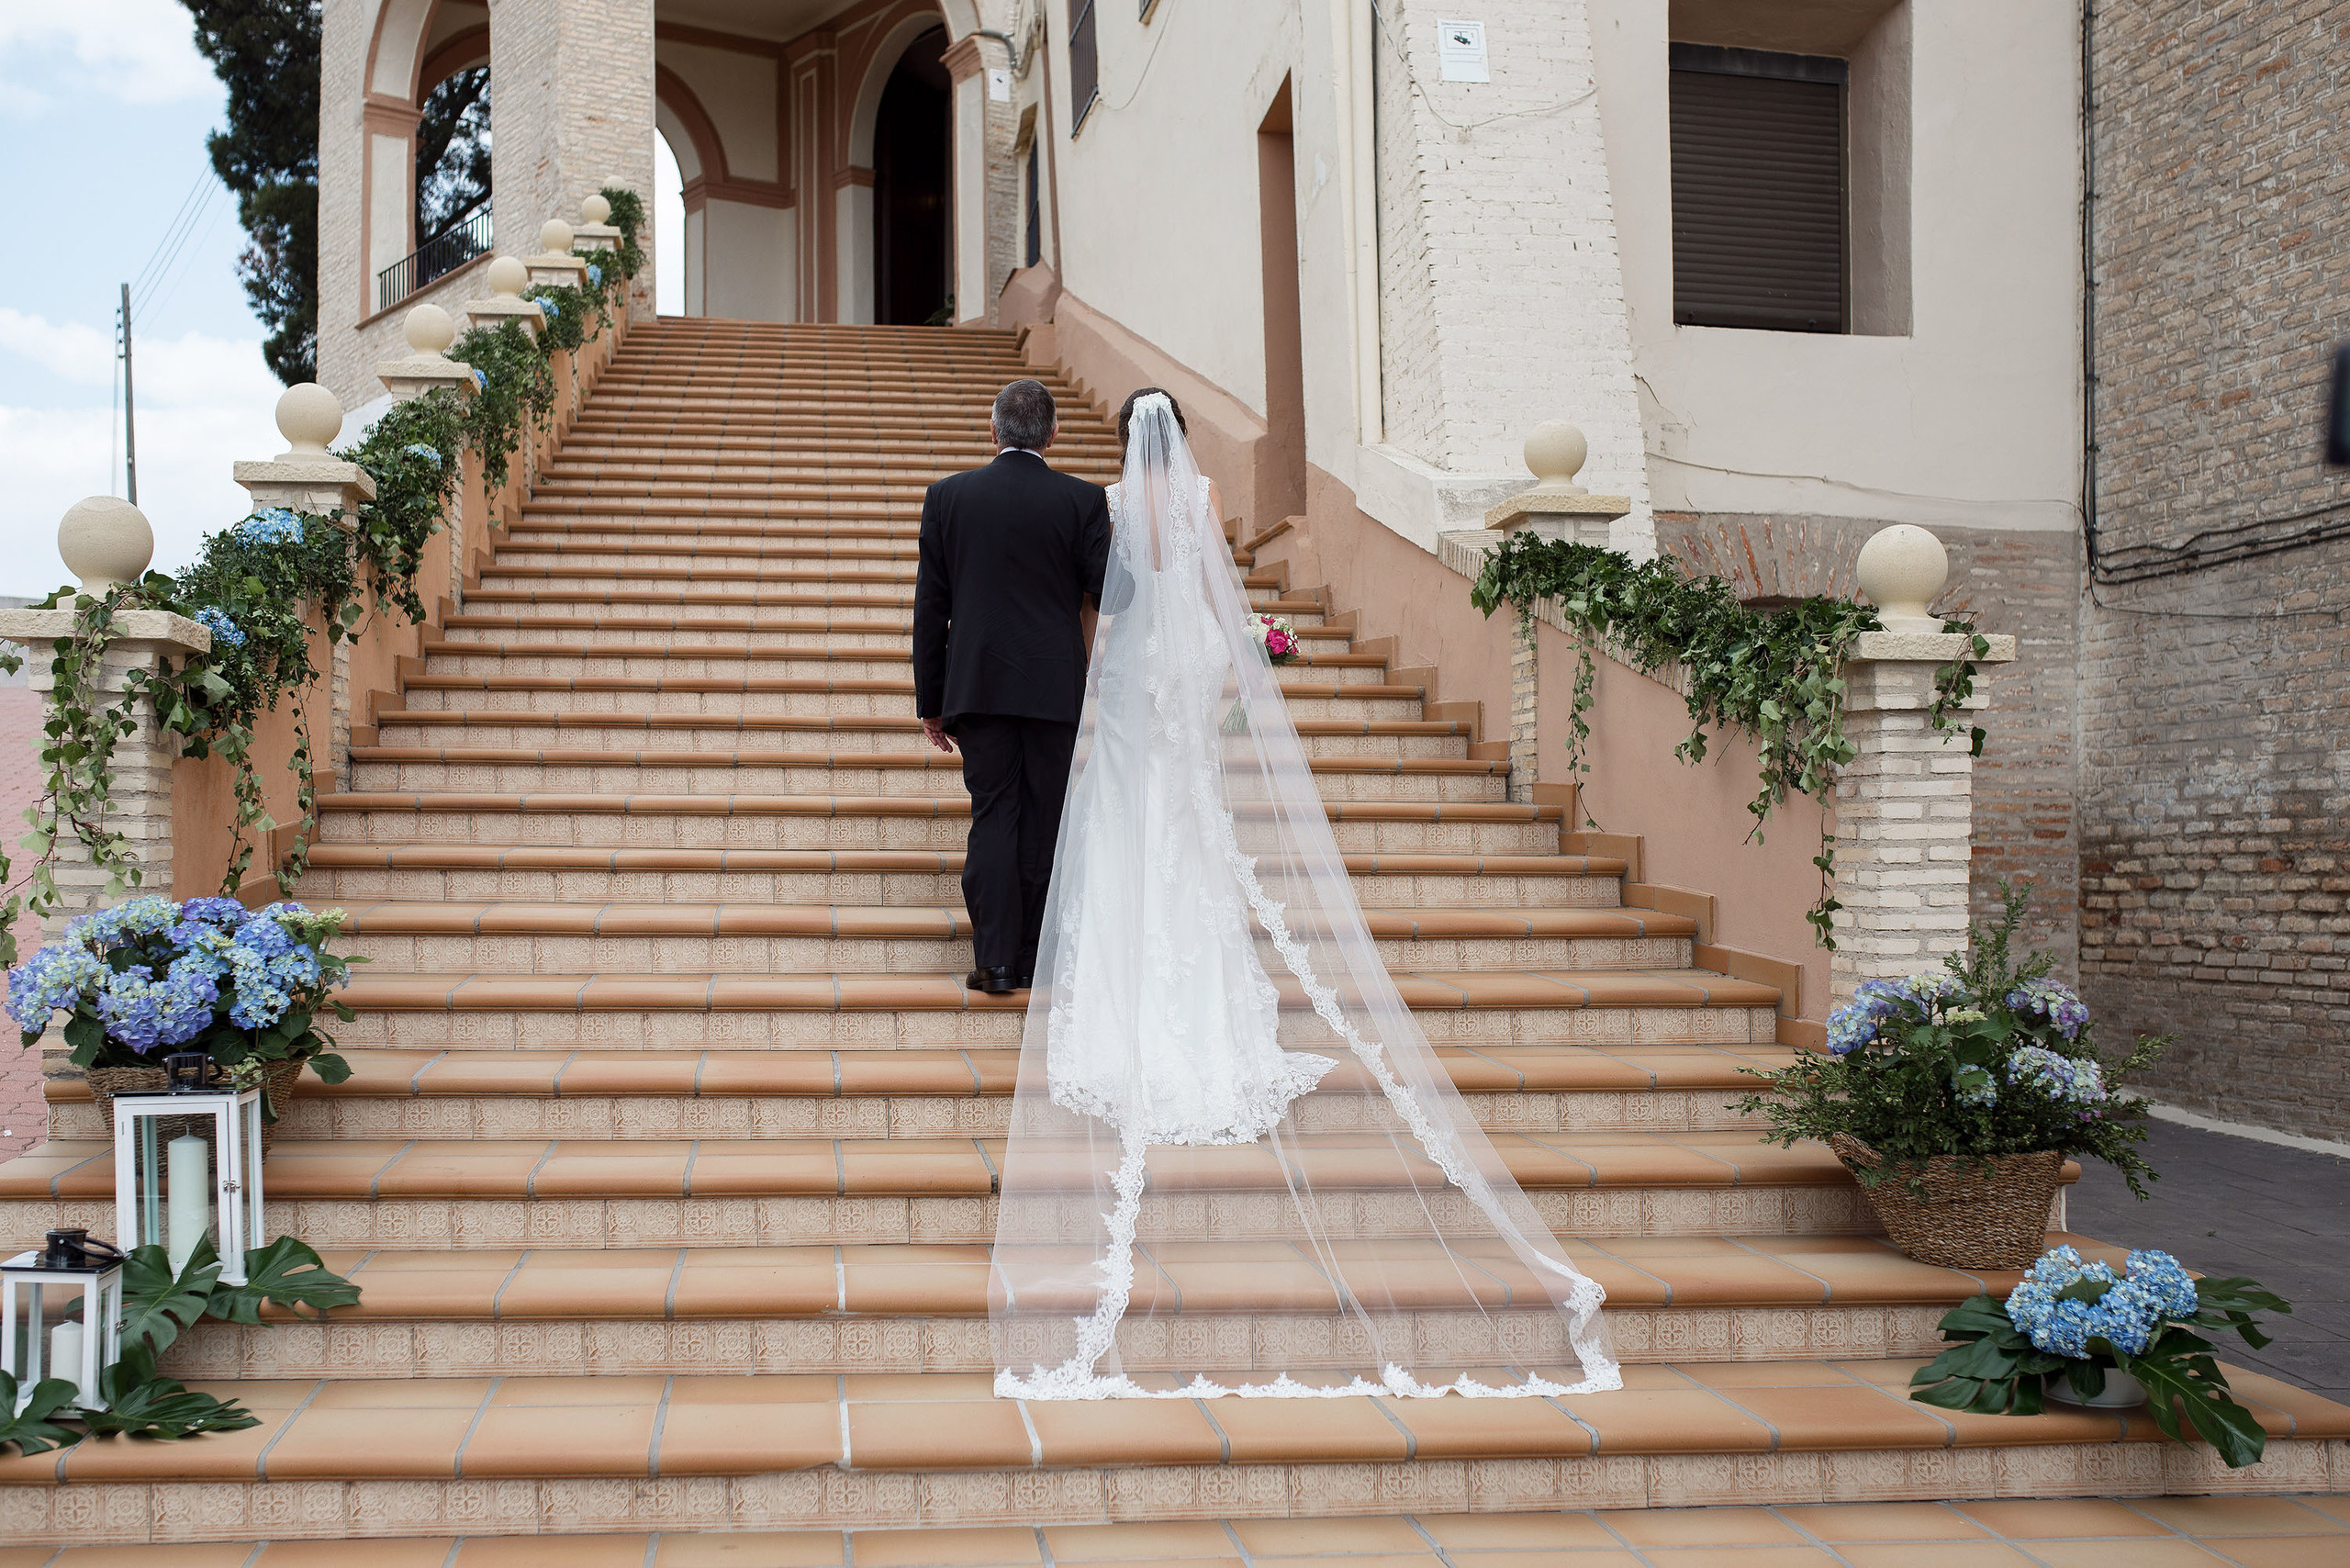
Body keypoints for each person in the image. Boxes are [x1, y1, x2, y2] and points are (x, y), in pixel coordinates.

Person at [987, 388, 1620, 1401]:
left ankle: (1123, 989)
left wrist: (1095, 669)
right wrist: (1248, 662)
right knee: (1193, 823)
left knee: (1129, 817)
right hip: (1187, 667)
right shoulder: (1193, 494)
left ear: (1115, 440)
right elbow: (1209, 594)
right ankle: (1202, 1005)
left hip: (1132, 669)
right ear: (1184, 435)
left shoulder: (1105, 502)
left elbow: (1106, 603)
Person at [912, 378, 1113, 995]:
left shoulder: (948, 497)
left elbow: (931, 608)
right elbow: (1116, 592)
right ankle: (1036, 960)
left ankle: (996, 963)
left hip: (978, 686)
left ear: (993, 430)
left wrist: (932, 702)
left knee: (995, 814)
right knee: (1046, 818)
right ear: (1053, 435)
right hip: (1055, 688)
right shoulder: (1081, 501)